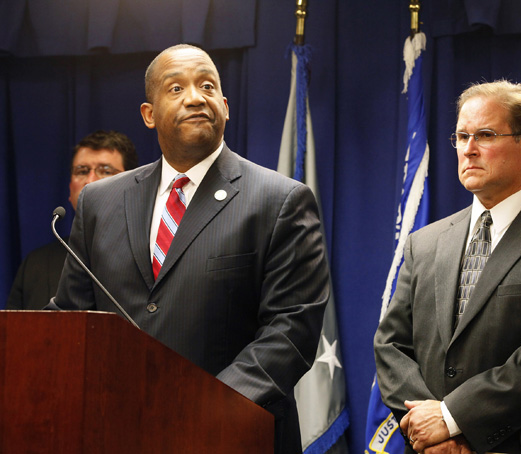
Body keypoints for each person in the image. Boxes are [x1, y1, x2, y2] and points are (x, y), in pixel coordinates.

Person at [50, 44, 329, 454]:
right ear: (149, 114)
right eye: (176, 88)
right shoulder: (99, 202)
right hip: (116, 432)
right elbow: (72, 322)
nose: (195, 97)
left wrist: (198, 410)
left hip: (229, 434)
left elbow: (290, 331)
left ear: (225, 106)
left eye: (207, 86)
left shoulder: (280, 201)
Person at [374, 80, 521, 454]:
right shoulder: (424, 243)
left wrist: (453, 419)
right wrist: (429, 428)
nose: (468, 150)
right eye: (461, 136)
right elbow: (391, 346)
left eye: (485, 135)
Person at [6, 130, 138, 310]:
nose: (90, 181)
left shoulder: (151, 254)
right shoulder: (36, 263)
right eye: (82, 171)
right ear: (69, 188)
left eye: (105, 171)